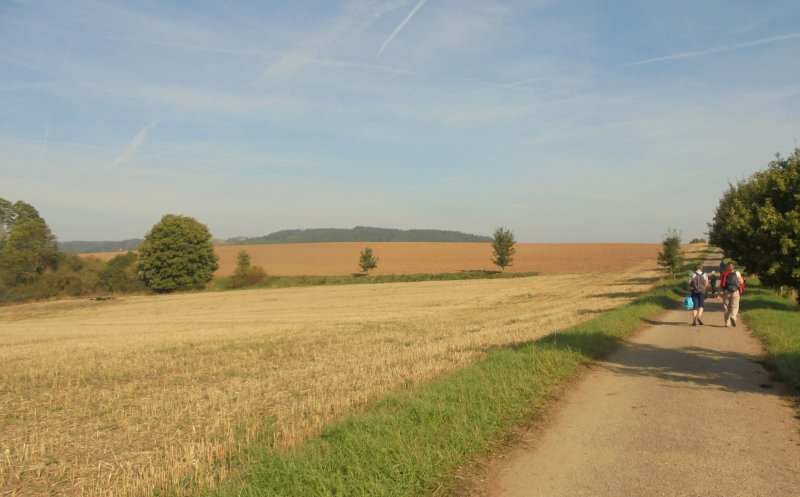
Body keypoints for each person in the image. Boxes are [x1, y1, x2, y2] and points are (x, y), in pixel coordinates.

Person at [721, 262, 745, 327]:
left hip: (726, 292)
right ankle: (733, 317)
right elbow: (742, 281)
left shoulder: (724, 274)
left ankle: (727, 323)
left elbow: (722, 285)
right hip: (735, 291)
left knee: (726, 307)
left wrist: (719, 293)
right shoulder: (737, 273)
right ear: (733, 267)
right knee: (735, 306)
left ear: (727, 267)